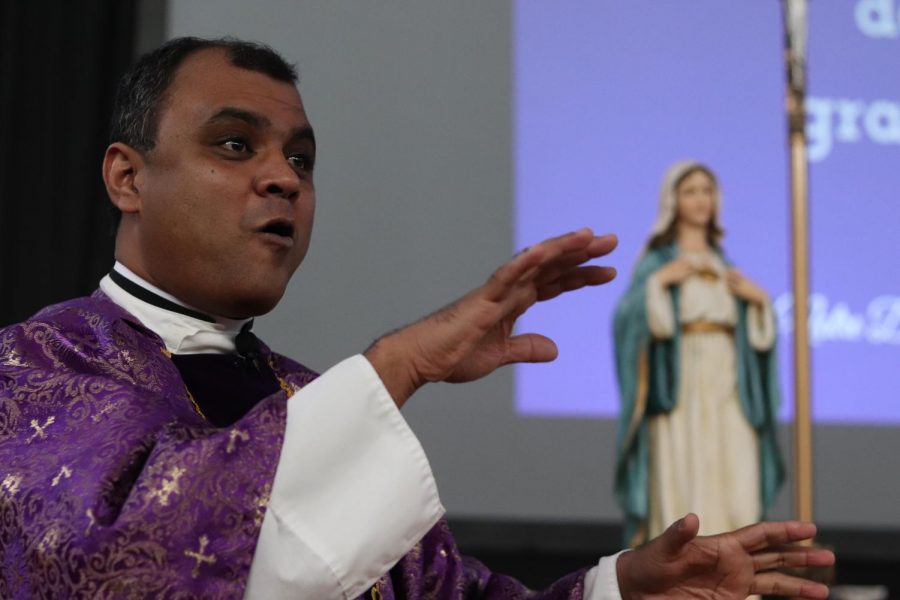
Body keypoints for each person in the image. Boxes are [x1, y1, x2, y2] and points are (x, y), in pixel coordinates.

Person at [0, 38, 831, 599]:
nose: (284, 179)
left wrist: (621, 589)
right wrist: (402, 364)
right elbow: (112, 564)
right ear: (126, 177)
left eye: (301, 159)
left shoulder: (302, 398)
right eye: (234, 145)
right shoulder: (35, 372)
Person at [613, 161, 784, 549]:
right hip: (682, 389)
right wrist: (658, 286)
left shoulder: (726, 267)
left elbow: (752, 336)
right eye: (690, 191)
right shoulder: (657, 265)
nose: (700, 199)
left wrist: (760, 305)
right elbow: (628, 319)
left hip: (729, 384)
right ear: (673, 200)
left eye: (707, 190)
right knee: (684, 477)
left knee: (736, 480)